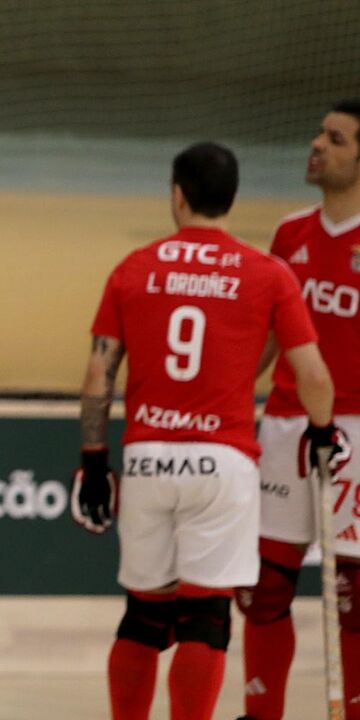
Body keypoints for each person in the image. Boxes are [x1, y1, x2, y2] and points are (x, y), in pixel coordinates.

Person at [72, 141, 341, 720]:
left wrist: (93, 461)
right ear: (232, 199)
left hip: (147, 459)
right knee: (206, 618)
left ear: (177, 196)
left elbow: (99, 374)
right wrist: (322, 434)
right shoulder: (268, 273)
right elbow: (314, 376)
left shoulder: (134, 267)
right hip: (223, 465)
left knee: (143, 616)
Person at [238, 99, 360, 720]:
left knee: (353, 598)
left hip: (358, 435)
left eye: (335, 139)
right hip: (285, 426)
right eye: (319, 133)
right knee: (265, 589)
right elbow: (264, 340)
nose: (317, 145)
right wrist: (229, 397)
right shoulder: (289, 234)